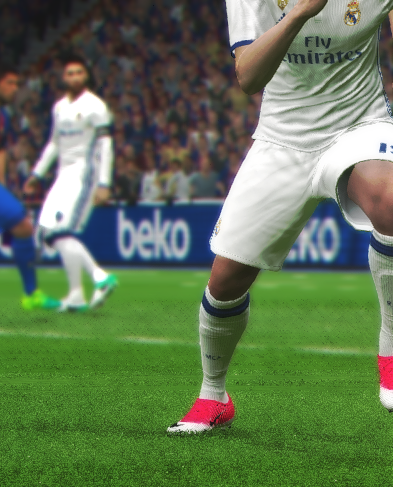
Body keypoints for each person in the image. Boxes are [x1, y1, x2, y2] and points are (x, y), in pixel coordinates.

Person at [168, 0, 393, 432]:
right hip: (282, 139)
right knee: (226, 282)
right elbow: (248, 77)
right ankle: (213, 395)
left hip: (360, 125)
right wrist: (299, 13)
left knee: (391, 200)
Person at [23, 54, 118, 312]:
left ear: (86, 76)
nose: (74, 77)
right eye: (70, 73)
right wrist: (37, 174)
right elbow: (54, 143)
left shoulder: (96, 106)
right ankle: (76, 293)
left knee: (61, 231)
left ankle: (99, 277)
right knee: (47, 232)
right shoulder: (59, 107)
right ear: (63, 78)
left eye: (79, 72)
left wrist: (104, 182)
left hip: (84, 174)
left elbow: (106, 146)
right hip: (63, 176)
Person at [0, 63, 61, 311]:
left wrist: (1, 187)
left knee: (23, 225)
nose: (15, 89)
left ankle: (31, 294)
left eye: (17, 84)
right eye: (9, 83)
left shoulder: (3, 117)